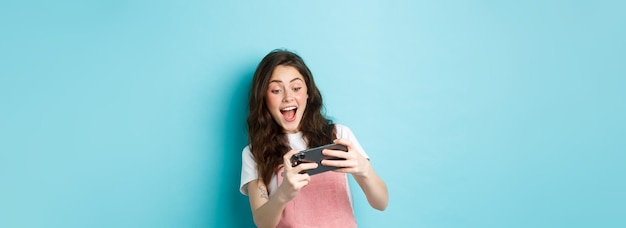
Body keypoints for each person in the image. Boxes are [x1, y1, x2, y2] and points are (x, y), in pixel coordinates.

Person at [239, 49, 388, 228]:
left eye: (296, 88)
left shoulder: (339, 135)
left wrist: (364, 170)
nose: (288, 97)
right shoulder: (254, 153)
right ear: (264, 97)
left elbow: (381, 203)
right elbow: (263, 222)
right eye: (276, 90)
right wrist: (283, 194)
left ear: (308, 94)